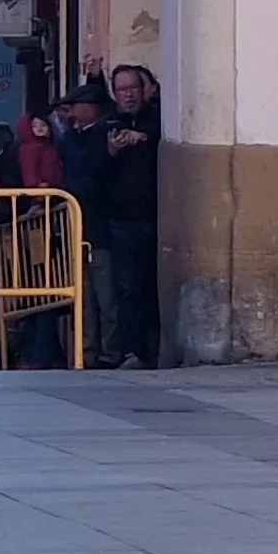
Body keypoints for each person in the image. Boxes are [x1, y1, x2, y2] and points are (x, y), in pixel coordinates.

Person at [98, 66, 165, 367]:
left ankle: (155, 347)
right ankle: (133, 350)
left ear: (144, 90)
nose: (128, 94)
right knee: (127, 288)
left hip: (159, 216)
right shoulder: (107, 125)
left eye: (133, 88)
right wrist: (111, 152)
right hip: (122, 219)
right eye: (122, 89)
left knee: (155, 284)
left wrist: (145, 139)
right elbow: (92, 172)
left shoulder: (159, 119)